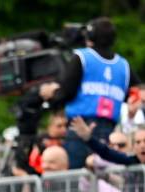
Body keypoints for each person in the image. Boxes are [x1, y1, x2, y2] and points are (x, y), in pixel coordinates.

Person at [39, 17, 140, 169]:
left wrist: (51, 95)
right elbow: (135, 94)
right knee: (105, 175)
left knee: (76, 177)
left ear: (90, 37)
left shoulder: (82, 56)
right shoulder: (123, 65)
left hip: (79, 126)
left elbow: (67, 92)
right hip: (109, 128)